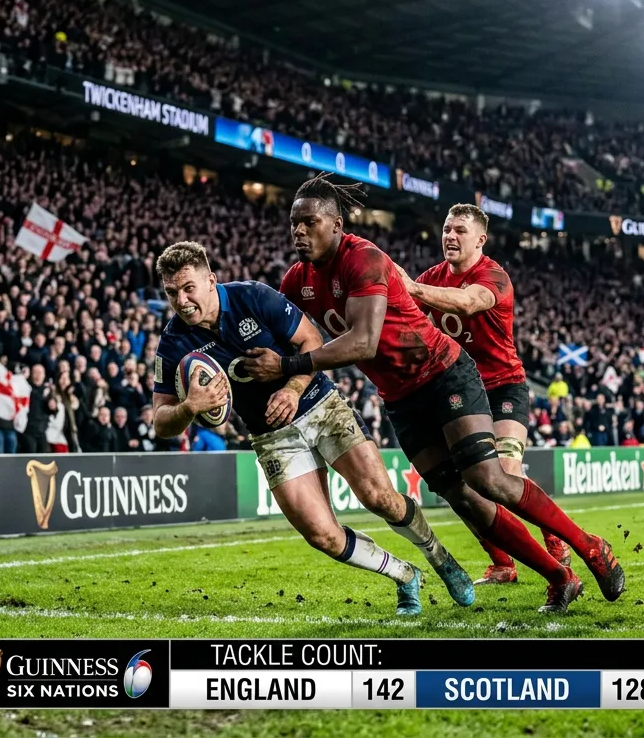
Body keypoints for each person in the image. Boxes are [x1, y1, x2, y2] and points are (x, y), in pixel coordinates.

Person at [251, 175, 624, 613]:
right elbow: (288, 337)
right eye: (293, 222)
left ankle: (589, 546)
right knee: (460, 496)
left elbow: (364, 342)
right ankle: (559, 576)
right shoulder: (297, 280)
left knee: (489, 478)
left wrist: (292, 366)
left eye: (309, 222)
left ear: (335, 224)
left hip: (445, 372)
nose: (298, 231)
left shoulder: (364, 258)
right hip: (401, 398)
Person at [152, 241, 474, 616]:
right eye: (172, 292)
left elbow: (312, 340)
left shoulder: (253, 297)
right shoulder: (174, 342)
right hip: (272, 437)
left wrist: (291, 387)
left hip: (320, 405)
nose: (182, 300)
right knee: (323, 536)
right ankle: (404, 575)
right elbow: (160, 421)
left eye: (188, 288)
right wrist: (190, 407)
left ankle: (439, 556)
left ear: (210, 280)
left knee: (379, 497)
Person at [400, 203, 571, 589]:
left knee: (505, 474)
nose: (450, 236)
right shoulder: (433, 276)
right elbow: (405, 317)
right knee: (463, 486)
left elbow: (468, 302)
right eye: (446, 229)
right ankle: (501, 563)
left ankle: (555, 540)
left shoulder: (493, 275)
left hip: (502, 387)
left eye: (460, 230)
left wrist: (410, 286)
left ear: (480, 239)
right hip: (457, 391)